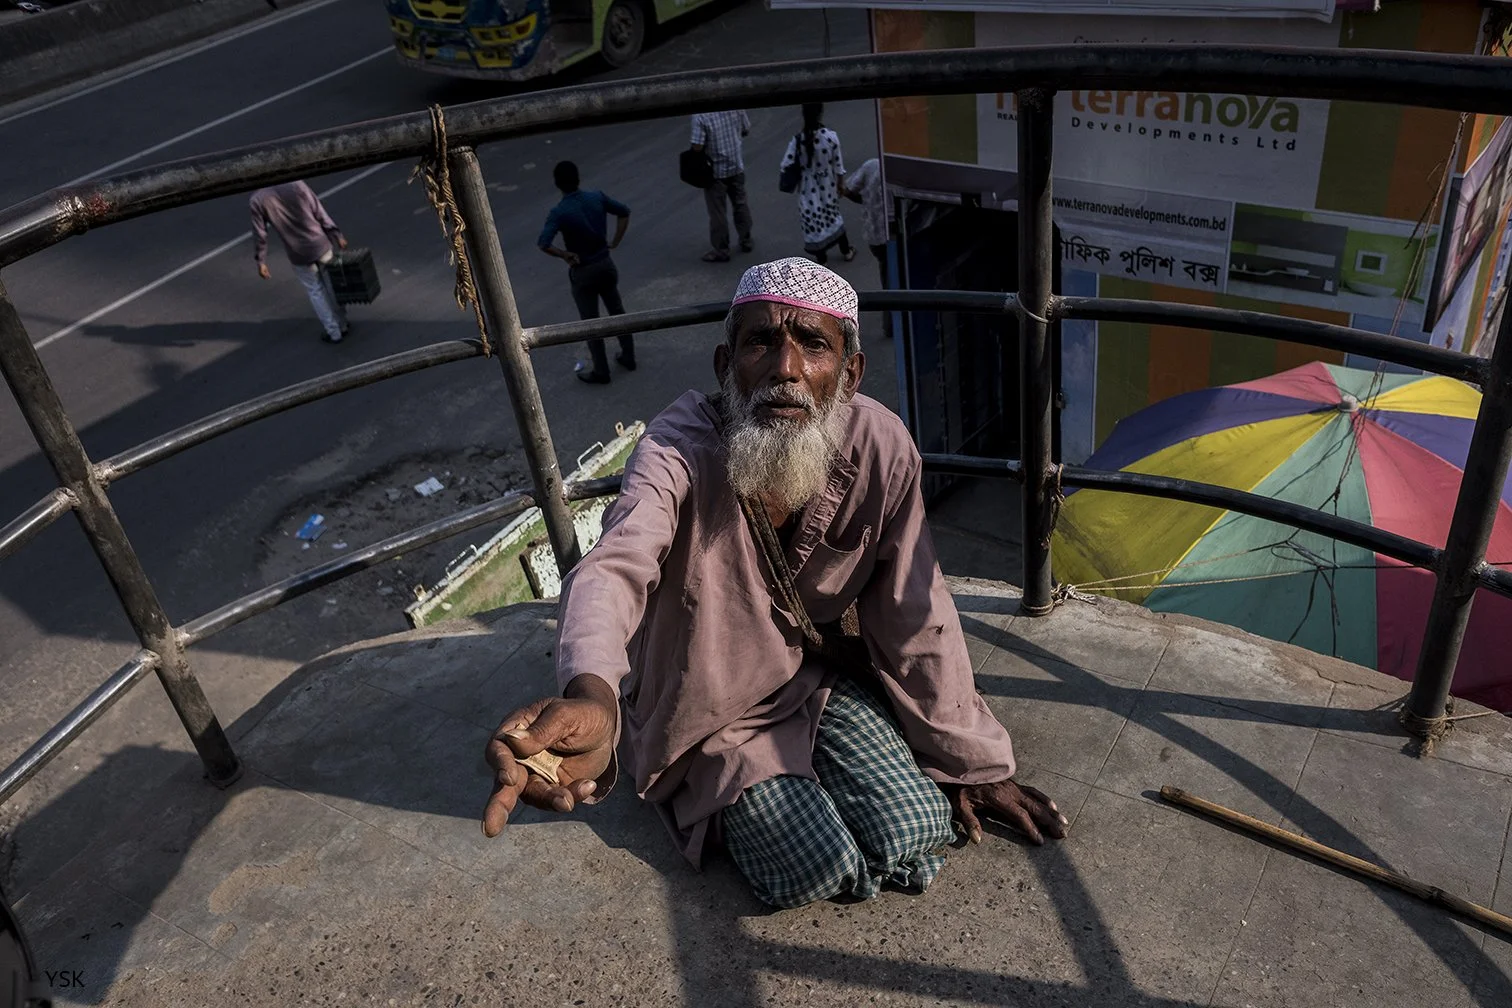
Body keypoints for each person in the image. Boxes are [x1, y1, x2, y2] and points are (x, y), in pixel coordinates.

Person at [481, 258, 1067, 909]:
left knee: (916, 827)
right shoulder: (674, 452)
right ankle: (722, 788)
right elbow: (614, 566)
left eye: (812, 344)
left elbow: (916, 609)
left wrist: (973, 762)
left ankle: (822, 773)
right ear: (725, 365)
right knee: (815, 867)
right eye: (761, 342)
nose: (785, 368)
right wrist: (593, 695)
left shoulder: (881, 447)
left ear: (850, 373)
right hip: (703, 705)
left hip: (811, 679)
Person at [538, 161, 636, 385]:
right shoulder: (596, 197)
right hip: (605, 264)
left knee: (591, 325)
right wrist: (615, 241)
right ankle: (628, 356)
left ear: (557, 184)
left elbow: (544, 243)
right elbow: (624, 212)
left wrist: (565, 254)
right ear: (578, 178)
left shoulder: (559, 212)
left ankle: (601, 371)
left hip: (583, 272)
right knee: (618, 314)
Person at [251, 181, 349, 344]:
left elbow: (260, 234)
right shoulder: (296, 184)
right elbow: (319, 211)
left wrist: (261, 261)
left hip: (298, 253)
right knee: (332, 285)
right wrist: (336, 235)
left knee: (315, 291)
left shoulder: (257, 200)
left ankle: (334, 332)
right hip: (320, 244)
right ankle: (343, 323)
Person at [780, 104, 855, 266]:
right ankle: (846, 251)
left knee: (815, 223)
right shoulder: (830, 138)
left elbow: (786, 164)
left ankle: (822, 260)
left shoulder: (797, 141)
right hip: (828, 186)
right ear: (821, 114)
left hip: (807, 190)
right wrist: (840, 185)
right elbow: (838, 167)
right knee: (834, 217)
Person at [690, 109, 754, 263]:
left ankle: (722, 249)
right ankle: (746, 239)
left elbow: (697, 146)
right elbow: (746, 129)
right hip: (736, 165)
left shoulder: (701, 115)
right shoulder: (735, 107)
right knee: (740, 204)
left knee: (718, 212)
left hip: (714, 172)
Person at [842, 157, 894, 339]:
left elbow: (847, 189)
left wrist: (866, 201)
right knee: (893, 280)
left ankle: (891, 322)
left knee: (887, 275)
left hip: (874, 235)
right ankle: (891, 323)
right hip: (891, 235)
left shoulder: (871, 166)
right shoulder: (898, 171)